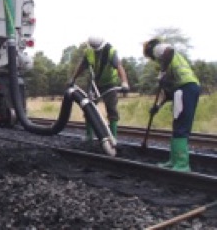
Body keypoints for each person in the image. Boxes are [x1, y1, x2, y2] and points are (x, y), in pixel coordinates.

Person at [143, 37, 200, 172]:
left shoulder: (159, 49)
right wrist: (157, 106)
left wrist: (162, 72)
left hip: (186, 88)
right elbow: (168, 94)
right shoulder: (167, 63)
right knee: (177, 125)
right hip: (184, 89)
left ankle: (182, 164)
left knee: (181, 126)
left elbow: (169, 50)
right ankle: (173, 160)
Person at [69, 36, 129, 139]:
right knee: (88, 108)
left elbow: (119, 66)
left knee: (112, 110)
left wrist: (124, 82)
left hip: (109, 83)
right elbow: (82, 66)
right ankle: (89, 136)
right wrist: (73, 78)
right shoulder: (88, 51)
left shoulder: (110, 51)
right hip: (94, 83)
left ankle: (113, 137)